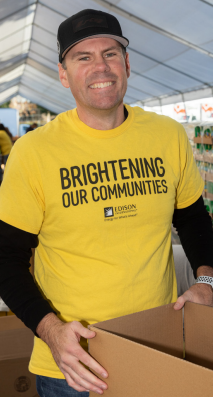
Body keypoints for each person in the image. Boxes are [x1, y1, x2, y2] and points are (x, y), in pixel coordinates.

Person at [0, 8, 213, 397]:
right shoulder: (34, 152)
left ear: (127, 64)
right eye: (83, 57)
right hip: (75, 364)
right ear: (63, 75)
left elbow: (194, 220)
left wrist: (206, 281)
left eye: (110, 54)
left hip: (159, 347)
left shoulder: (167, 136)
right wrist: (51, 330)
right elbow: (5, 257)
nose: (101, 67)